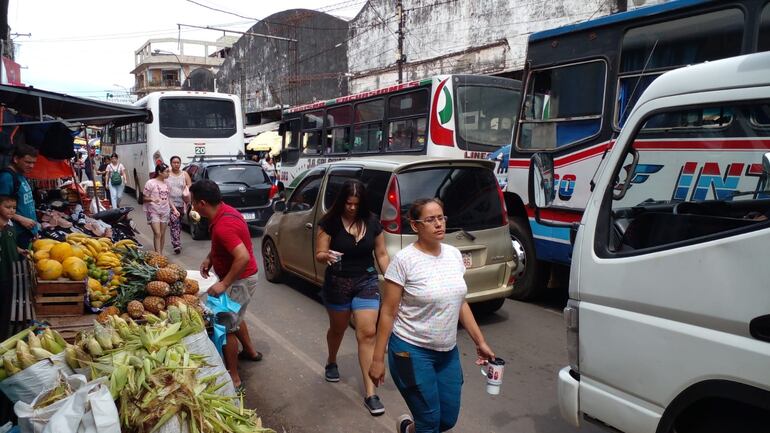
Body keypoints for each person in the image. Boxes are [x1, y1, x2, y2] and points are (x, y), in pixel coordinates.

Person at [369, 198, 496, 433]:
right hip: (411, 350)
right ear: (415, 226)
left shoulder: (453, 255)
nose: (438, 224)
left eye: (441, 218)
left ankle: (408, 429)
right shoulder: (404, 261)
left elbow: (459, 301)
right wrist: (377, 359)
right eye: (430, 220)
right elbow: (388, 311)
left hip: (447, 352)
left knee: (447, 420)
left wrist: (480, 342)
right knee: (429, 423)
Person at [315, 180, 390, 415]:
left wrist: (393, 279)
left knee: (367, 333)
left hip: (366, 280)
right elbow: (319, 253)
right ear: (342, 202)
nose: (351, 208)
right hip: (338, 283)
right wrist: (324, 255)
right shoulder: (330, 222)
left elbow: (382, 254)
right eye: (348, 203)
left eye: (356, 204)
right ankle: (332, 360)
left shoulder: (372, 221)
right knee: (337, 329)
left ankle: (371, 393)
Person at [190, 179, 262, 391]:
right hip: (241, 278)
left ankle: (234, 377)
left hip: (240, 280)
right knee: (236, 316)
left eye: (193, 202)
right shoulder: (224, 211)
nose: (192, 206)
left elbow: (242, 257)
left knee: (226, 326)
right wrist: (209, 258)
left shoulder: (223, 225)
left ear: (202, 203)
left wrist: (224, 283)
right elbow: (225, 246)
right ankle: (250, 352)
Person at [0, 144, 39, 249]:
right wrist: (21, 219)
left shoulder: (21, 175)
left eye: (33, 163)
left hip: (28, 231)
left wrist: (34, 230)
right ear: (16, 159)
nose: (31, 166)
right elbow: (1, 207)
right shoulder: (7, 177)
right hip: (17, 233)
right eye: (28, 162)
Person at [0, 195, 27, 339]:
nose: (11, 211)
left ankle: (5, 331)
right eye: (7, 207)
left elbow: (11, 243)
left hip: (12, 269)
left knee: (8, 302)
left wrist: (19, 250)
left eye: (14, 208)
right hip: (2, 271)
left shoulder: (9, 224)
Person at [142, 163, 178, 254]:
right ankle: (157, 254)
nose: (168, 173)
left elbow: (169, 198)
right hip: (153, 211)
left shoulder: (168, 184)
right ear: (159, 172)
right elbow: (143, 198)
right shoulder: (150, 183)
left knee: (162, 234)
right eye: (166, 172)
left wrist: (174, 209)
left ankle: (160, 254)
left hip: (165, 211)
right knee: (157, 233)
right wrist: (152, 199)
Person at [167, 156, 192, 255]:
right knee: (175, 222)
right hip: (170, 203)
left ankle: (176, 240)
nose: (176, 164)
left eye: (178, 162)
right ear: (171, 163)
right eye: (174, 162)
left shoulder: (184, 174)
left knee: (178, 224)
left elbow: (190, 185)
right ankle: (176, 244)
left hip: (182, 204)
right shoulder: (167, 174)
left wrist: (186, 190)